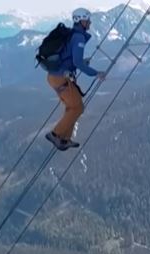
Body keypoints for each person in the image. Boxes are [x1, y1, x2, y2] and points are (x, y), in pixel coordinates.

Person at [45, 8, 106, 151]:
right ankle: (56, 134)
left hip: (55, 77)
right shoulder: (79, 38)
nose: (89, 22)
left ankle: (64, 139)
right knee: (78, 107)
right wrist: (96, 73)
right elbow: (77, 62)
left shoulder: (72, 34)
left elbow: (69, 58)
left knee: (72, 107)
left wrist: (82, 62)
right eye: (87, 20)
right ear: (80, 21)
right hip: (61, 78)